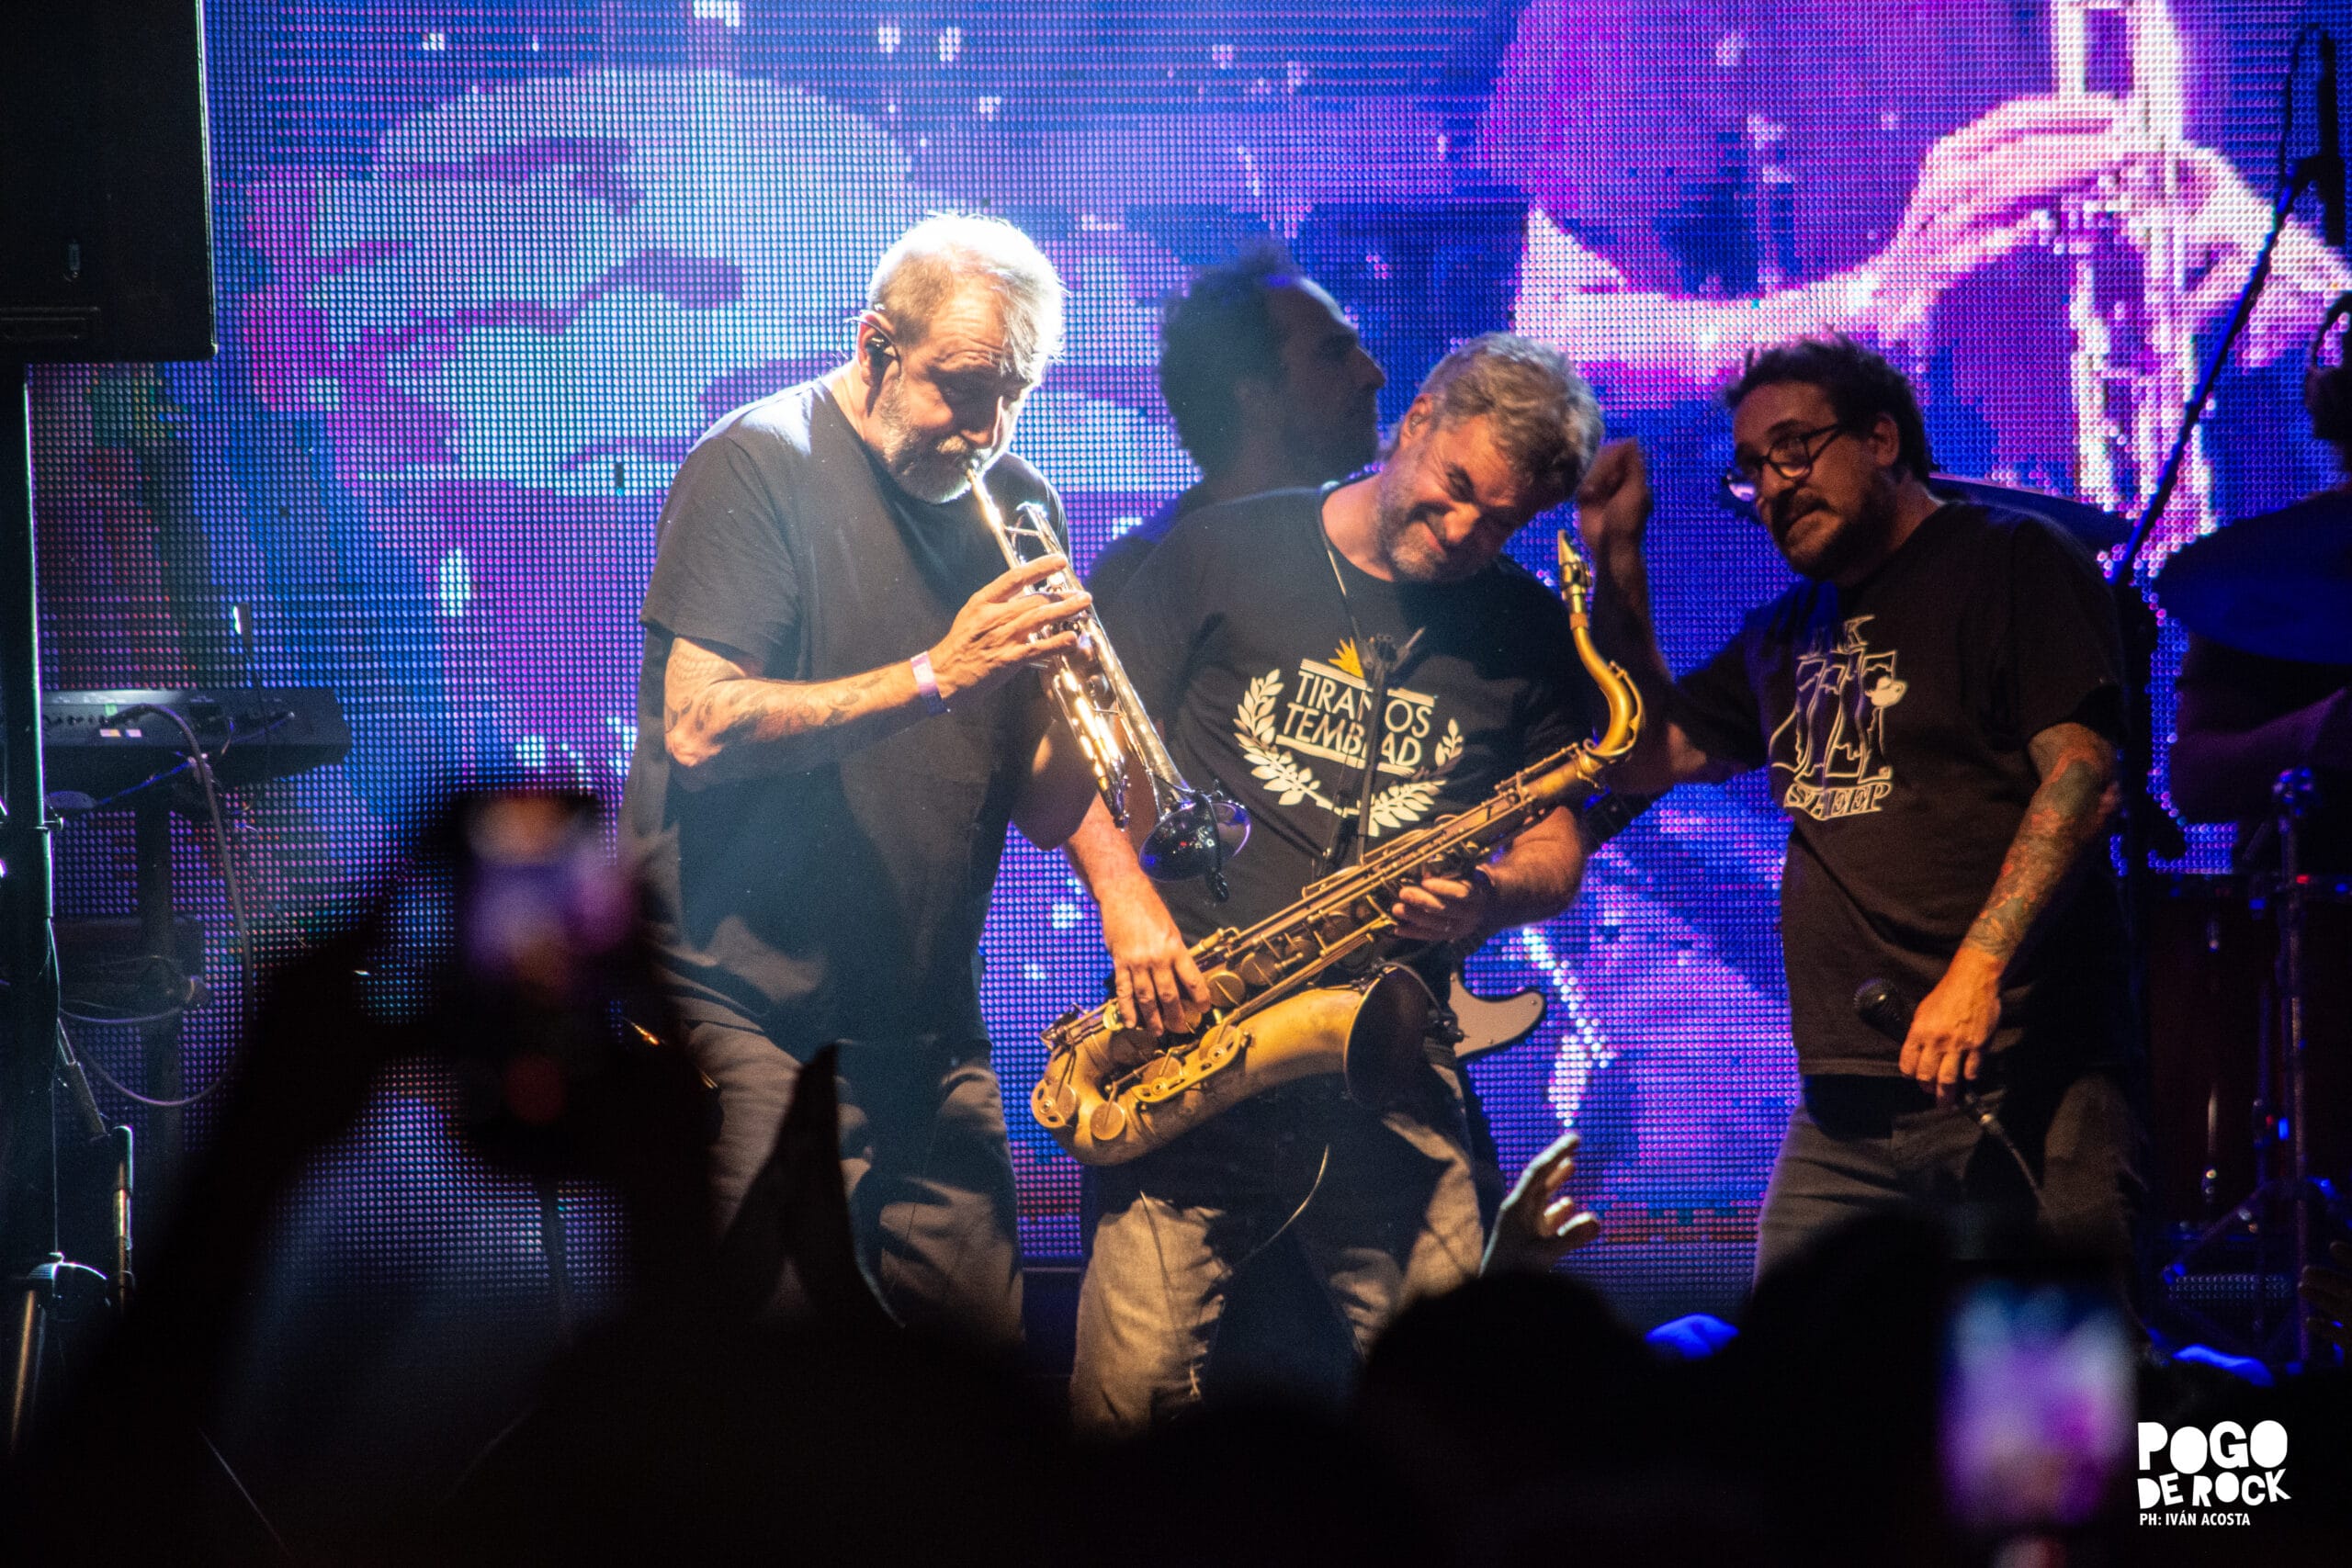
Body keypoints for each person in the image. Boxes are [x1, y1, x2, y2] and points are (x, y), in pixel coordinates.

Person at [1062, 333, 1606, 1430]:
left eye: (1500, 522)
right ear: (1416, 419)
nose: (1463, 533)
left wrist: (1491, 897)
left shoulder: (1525, 629)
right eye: (1456, 488)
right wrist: (1126, 904)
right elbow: (1069, 753)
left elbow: (1555, 848)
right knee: (1124, 1405)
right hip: (1191, 1032)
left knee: (1457, 1408)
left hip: (1388, 1048)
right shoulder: (1220, 548)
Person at [618, 213, 1104, 1347]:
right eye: (963, 389)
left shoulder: (1017, 502)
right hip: (748, 1006)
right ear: (876, 345)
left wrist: (1075, 702)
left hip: (925, 1022)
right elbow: (700, 726)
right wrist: (940, 674)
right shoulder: (759, 462)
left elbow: (1038, 798)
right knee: (777, 1372)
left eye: (1017, 394)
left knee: (976, 1369)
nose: (987, 430)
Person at [1578, 336, 2142, 1282]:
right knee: (1799, 1364)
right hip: (1845, 1106)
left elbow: (2083, 782)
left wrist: (1974, 975)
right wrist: (1617, 553)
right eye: (1753, 468)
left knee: (2039, 1373)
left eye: (1795, 448)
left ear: (1881, 439)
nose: (1774, 485)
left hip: (2020, 1076)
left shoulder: (2010, 560)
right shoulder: (1785, 632)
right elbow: (1643, 755)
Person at [1085, 243, 1388, 607]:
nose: (1373, 375)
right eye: (1333, 355)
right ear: (1256, 397)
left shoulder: (1390, 547)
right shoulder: (1145, 576)